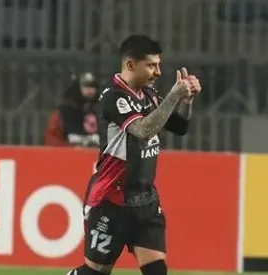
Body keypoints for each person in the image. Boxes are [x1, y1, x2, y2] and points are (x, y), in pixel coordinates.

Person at [66, 34, 201, 275]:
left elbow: (179, 127)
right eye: (151, 65)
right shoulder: (113, 97)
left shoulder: (148, 95)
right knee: (96, 272)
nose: (158, 72)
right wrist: (174, 95)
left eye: (158, 65)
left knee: (157, 271)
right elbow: (142, 130)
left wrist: (186, 101)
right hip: (112, 200)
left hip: (146, 201)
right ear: (130, 65)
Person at [44, 72, 100, 147]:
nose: (90, 90)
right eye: (86, 87)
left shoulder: (99, 106)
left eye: (92, 87)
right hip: (68, 149)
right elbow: (52, 137)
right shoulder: (64, 109)